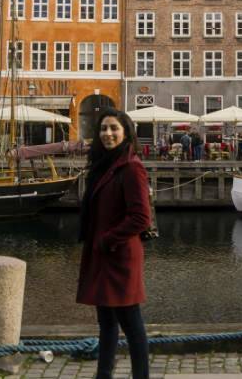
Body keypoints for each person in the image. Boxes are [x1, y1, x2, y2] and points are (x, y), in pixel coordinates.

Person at [77, 108, 151, 379]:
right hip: (102, 254)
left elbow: (141, 217)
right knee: (106, 323)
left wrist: (108, 239)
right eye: (103, 129)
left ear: (125, 132)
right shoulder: (103, 164)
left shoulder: (131, 167)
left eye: (113, 129)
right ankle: (103, 375)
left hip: (119, 255)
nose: (107, 134)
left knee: (131, 324)